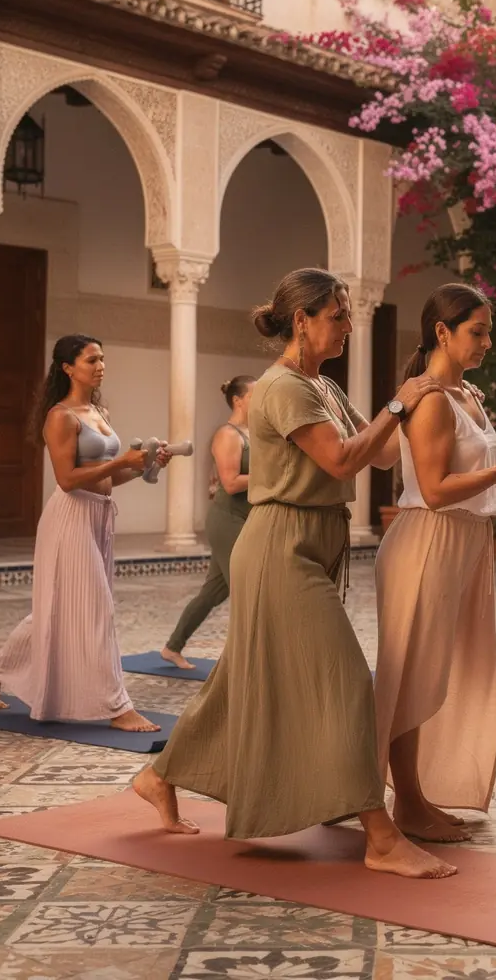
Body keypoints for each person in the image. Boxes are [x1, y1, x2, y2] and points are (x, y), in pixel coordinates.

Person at [133, 268, 458, 879]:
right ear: (301, 320)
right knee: (345, 681)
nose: (348, 325)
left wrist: (438, 402)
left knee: (237, 683)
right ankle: (380, 837)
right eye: (338, 315)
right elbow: (342, 459)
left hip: (312, 544)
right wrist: (399, 402)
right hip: (280, 549)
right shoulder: (282, 387)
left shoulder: (324, 386)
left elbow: (383, 450)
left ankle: (158, 775)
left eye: (348, 314)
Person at [373, 284, 496, 843]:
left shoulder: (467, 394)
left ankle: (417, 793)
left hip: (465, 540)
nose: (487, 342)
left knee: (449, 671)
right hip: (429, 540)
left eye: (488, 331)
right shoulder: (431, 400)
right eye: (477, 331)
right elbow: (433, 490)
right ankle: (406, 802)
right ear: (442, 332)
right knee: (413, 676)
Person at [0, 334, 169, 731]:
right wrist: (122, 461)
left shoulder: (98, 411)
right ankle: (117, 707)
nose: (101, 366)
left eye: (102, 359)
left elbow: (108, 478)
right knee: (97, 610)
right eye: (91, 360)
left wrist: (146, 466)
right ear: (68, 368)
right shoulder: (60, 416)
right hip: (70, 518)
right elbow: (67, 479)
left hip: (99, 516)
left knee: (55, 608)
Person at [161, 375, 257, 669]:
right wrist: (272, 476)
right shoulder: (227, 434)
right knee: (249, 592)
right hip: (227, 520)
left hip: (246, 519)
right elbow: (230, 482)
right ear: (238, 400)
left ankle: (172, 647)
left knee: (214, 591)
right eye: (255, 395)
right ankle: (245, 664)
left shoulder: (254, 433)